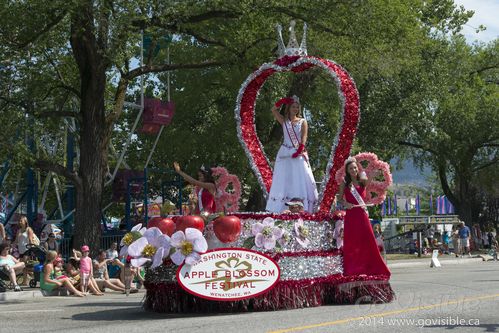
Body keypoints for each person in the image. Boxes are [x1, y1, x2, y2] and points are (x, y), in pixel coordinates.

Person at [336, 157, 390, 277]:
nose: (353, 170)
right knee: (353, 241)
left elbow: (369, 180)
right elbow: (339, 198)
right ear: (347, 170)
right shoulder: (345, 182)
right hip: (351, 215)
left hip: (362, 214)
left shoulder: (362, 180)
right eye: (351, 168)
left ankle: (370, 266)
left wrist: (375, 173)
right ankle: (353, 268)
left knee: (367, 239)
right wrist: (346, 204)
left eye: (355, 167)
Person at [265, 96, 318, 213]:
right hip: (284, 154)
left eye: (297, 107)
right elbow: (273, 110)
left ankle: (302, 206)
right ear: (288, 108)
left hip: (297, 153)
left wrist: (299, 150)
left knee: (300, 177)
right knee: (284, 179)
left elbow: (304, 138)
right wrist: (282, 101)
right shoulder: (284, 121)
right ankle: (281, 208)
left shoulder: (303, 121)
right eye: (293, 106)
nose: (295, 109)